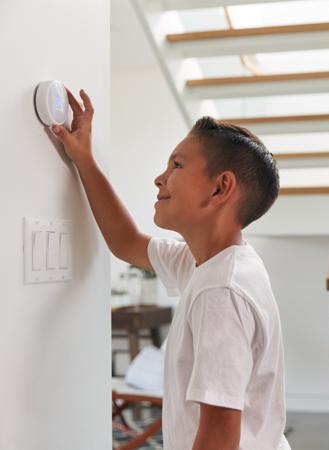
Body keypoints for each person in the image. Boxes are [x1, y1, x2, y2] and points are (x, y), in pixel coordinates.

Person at [50, 90, 290, 450]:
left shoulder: (220, 290)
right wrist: (83, 158)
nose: (159, 179)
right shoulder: (209, 262)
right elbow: (126, 242)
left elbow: (220, 437)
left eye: (176, 166)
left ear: (220, 188)